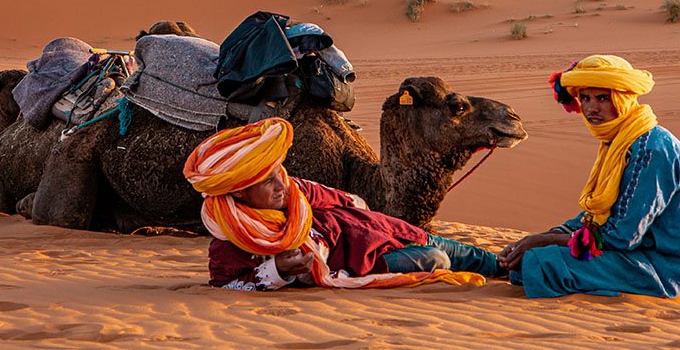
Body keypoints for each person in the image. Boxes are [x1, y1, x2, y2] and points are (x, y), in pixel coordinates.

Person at [182, 116, 502, 290]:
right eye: (267, 181)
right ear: (239, 192)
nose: (282, 185)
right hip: (368, 262)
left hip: (385, 230)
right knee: (436, 259)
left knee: (482, 259)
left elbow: (352, 201)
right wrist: (278, 270)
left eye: (279, 172)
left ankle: (518, 265)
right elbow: (227, 284)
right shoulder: (234, 238)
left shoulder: (298, 190)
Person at [497, 54, 680, 298]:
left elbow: (623, 235)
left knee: (541, 264)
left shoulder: (651, 151)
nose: (591, 108)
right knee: (525, 262)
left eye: (602, 98)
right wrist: (536, 239)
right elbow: (596, 218)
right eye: (584, 98)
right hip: (631, 256)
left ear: (624, 99)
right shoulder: (619, 141)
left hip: (659, 269)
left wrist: (545, 241)